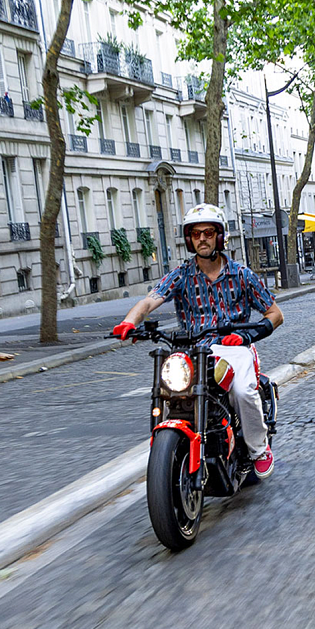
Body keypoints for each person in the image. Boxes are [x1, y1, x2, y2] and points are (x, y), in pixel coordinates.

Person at [112, 204, 284, 479]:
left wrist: (247, 335)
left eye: (208, 232)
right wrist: (128, 323)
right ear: (189, 239)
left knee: (241, 391)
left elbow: (275, 314)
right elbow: (148, 301)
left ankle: (259, 449)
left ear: (219, 237)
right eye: (196, 233)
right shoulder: (181, 275)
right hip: (194, 351)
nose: (202, 238)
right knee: (173, 392)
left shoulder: (242, 275)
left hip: (235, 348)